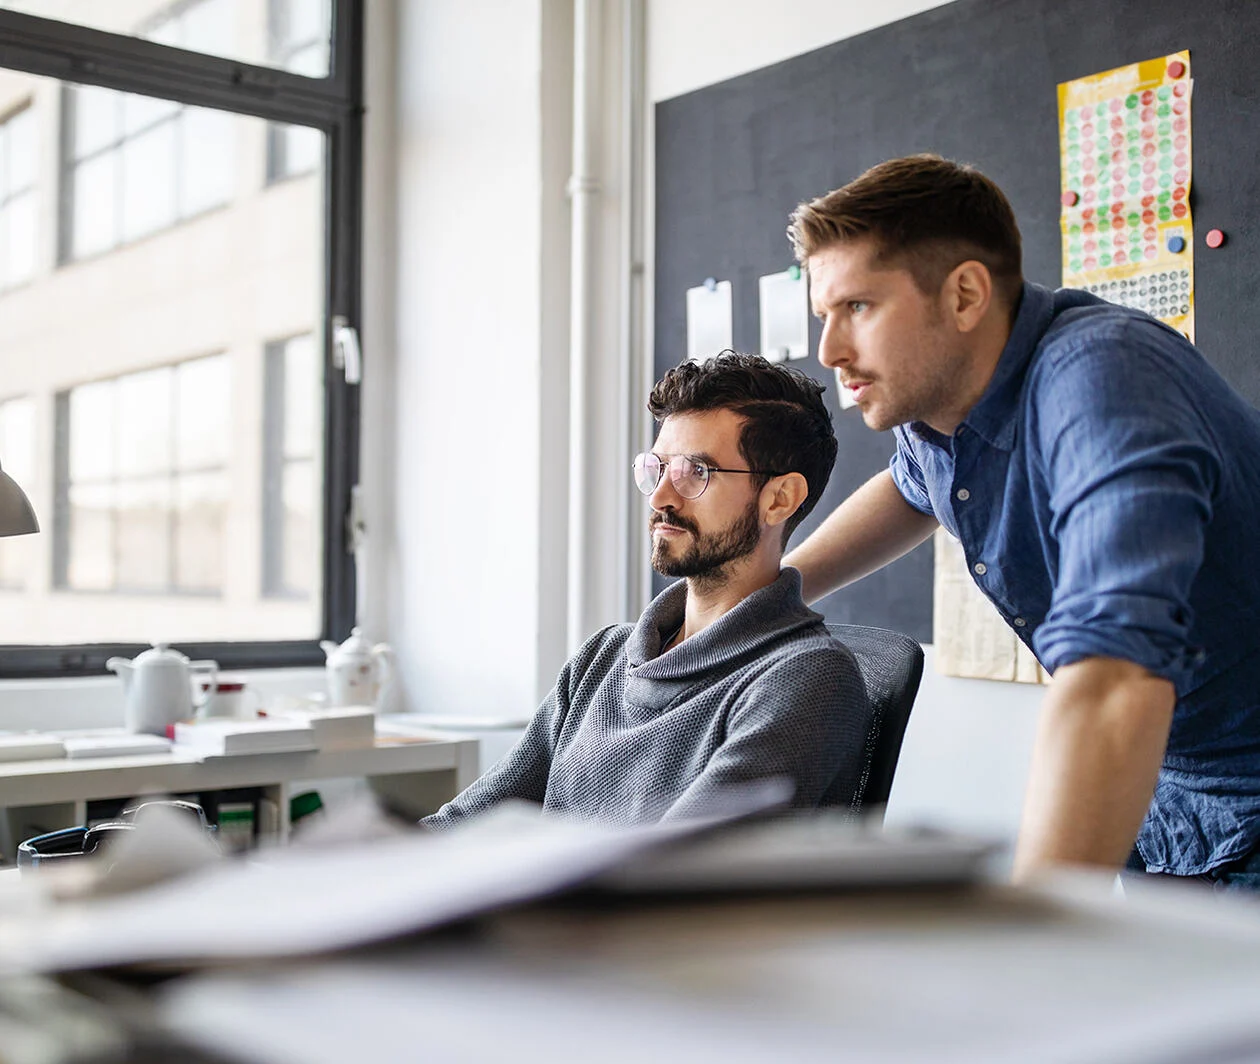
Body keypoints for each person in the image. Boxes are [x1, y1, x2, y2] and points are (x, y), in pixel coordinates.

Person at [783, 153, 1260, 888]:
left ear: (966, 294)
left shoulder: (1102, 381)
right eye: (824, 316)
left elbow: (1113, 679)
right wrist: (776, 592)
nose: (829, 352)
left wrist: (1026, 941)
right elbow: (912, 488)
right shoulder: (940, 404)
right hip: (1167, 786)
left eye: (859, 308)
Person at [424, 352, 872, 829]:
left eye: (695, 473)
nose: (660, 497)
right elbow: (465, 823)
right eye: (656, 469)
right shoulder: (603, 658)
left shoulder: (805, 678)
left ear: (779, 499)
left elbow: (672, 874)